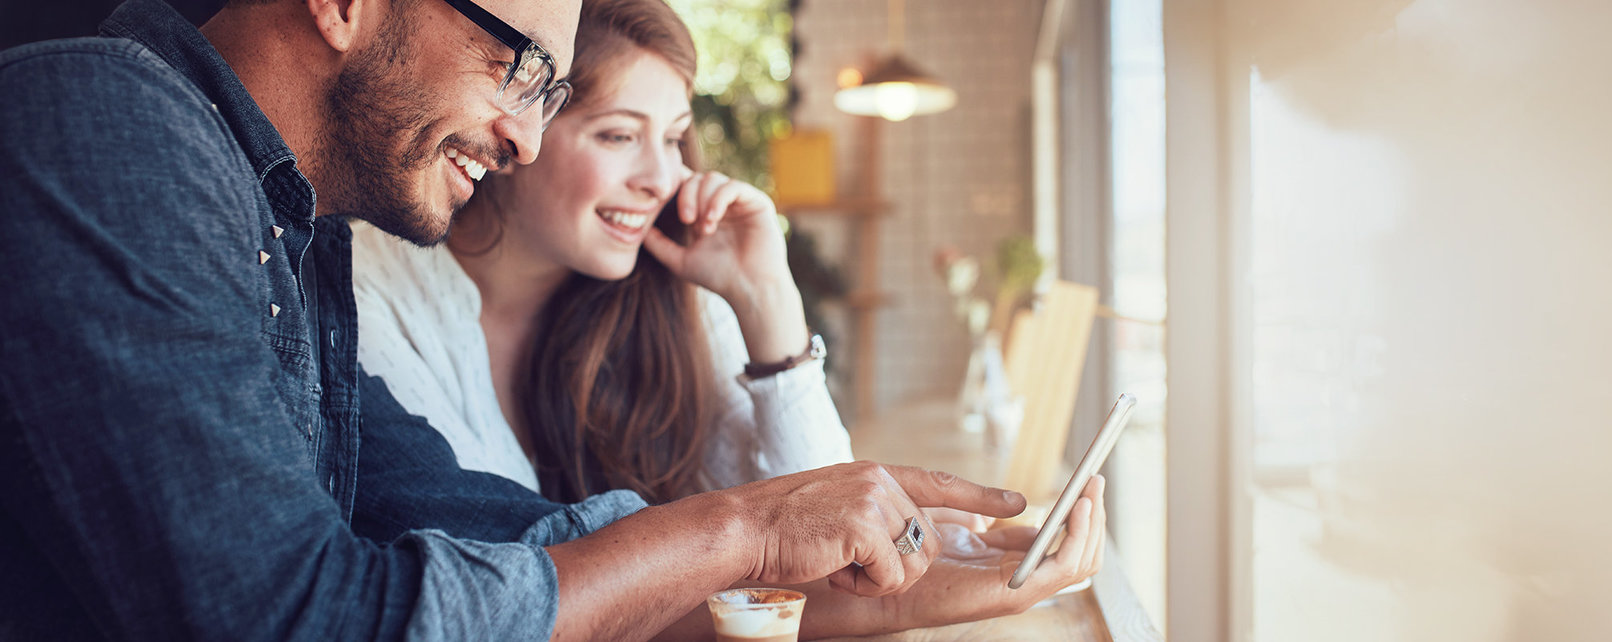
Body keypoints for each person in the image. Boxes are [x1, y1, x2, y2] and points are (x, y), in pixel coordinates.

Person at [0, 0, 1068, 639]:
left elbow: (509, 542)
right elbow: (303, 619)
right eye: (520, 68)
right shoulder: (102, 123)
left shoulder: (295, 233)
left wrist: (918, 586)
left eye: (551, 95)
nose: (524, 137)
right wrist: (745, 529)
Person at [348, 0, 1106, 636]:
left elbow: (819, 525)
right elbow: (512, 580)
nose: (662, 178)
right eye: (618, 135)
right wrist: (901, 596)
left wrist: (768, 301)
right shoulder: (369, 291)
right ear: (519, 127)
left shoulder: (671, 299)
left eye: (674, 138)